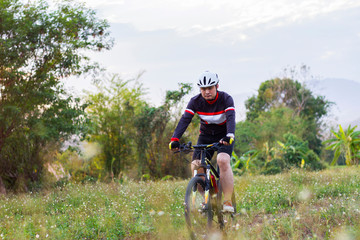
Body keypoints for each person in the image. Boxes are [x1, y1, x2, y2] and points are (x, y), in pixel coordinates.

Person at [169, 71, 236, 212]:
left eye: (210, 88)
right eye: (203, 89)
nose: (206, 92)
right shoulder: (195, 101)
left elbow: (230, 118)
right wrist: (175, 139)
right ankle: (207, 199)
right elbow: (185, 120)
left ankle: (228, 201)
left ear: (217, 86)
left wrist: (229, 135)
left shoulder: (226, 99)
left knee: (222, 160)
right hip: (205, 135)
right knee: (196, 165)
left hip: (224, 136)